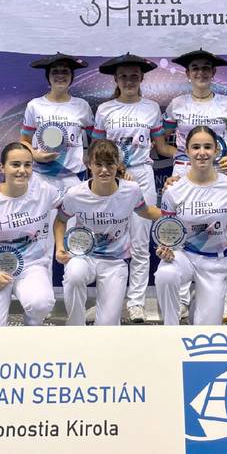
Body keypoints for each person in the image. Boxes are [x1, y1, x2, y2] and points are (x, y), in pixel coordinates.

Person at [93, 53, 176, 323]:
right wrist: (116, 170)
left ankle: (136, 302)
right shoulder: (105, 110)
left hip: (142, 175)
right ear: (116, 80)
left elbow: (161, 147)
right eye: (123, 77)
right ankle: (107, 302)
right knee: (108, 240)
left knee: (140, 243)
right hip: (109, 178)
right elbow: (96, 150)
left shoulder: (151, 108)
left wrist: (189, 153)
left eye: (133, 76)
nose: (129, 81)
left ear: (141, 79)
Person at [164, 49, 227, 322]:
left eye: (206, 68)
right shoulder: (177, 104)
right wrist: (180, 158)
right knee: (181, 233)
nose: (201, 72)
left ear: (213, 73)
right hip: (184, 174)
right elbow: (161, 142)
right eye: (195, 68)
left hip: (218, 174)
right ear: (188, 74)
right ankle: (182, 300)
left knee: (220, 234)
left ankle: (223, 300)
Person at [54, 139, 162, 326]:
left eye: (110, 164)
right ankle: (75, 328)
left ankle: (101, 318)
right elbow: (60, 221)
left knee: (108, 326)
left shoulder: (131, 190)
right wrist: (59, 247)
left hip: (115, 261)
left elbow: (147, 212)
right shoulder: (75, 194)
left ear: (118, 164)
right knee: (74, 274)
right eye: (98, 164)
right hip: (83, 256)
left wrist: (176, 216)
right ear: (89, 164)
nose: (104, 170)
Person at [155, 126, 227, 325]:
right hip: (183, 255)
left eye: (207, 147)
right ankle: (170, 330)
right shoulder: (173, 190)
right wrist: (164, 249)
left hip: (216, 263)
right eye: (196, 147)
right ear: (187, 151)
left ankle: (198, 302)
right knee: (165, 274)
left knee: (206, 328)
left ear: (216, 150)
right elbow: (166, 232)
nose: (202, 153)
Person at [0, 142, 62, 326]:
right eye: (15, 164)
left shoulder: (45, 192)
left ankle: (32, 326)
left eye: (27, 165)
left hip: (32, 265)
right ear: (2, 167)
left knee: (41, 303)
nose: (22, 170)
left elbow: (69, 207)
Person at [19, 53, 94, 268]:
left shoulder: (82, 106)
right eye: (55, 72)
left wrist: (89, 161)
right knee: (41, 238)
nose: (60, 75)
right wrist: (35, 155)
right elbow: (24, 141)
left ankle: (73, 282)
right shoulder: (35, 106)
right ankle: (42, 285)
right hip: (42, 179)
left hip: (72, 179)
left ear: (72, 76)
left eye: (65, 72)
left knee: (72, 239)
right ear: (48, 77)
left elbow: (95, 141)